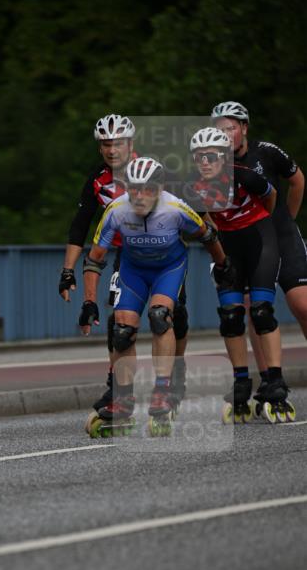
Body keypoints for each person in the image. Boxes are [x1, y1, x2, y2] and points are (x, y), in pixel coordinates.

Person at [80, 157, 233, 437]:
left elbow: (208, 235)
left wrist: (222, 266)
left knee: (160, 316)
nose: (139, 195)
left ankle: (162, 390)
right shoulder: (116, 209)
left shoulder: (175, 208)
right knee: (122, 329)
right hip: (133, 270)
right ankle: (123, 399)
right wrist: (89, 302)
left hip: (169, 268)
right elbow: (94, 259)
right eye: (134, 188)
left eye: (147, 189)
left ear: (160, 187)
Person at [58, 114, 190, 413]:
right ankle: (119, 390)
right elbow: (80, 226)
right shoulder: (97, 179)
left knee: (170, 317)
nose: (111, 150)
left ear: (130, 144)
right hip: (125, 256)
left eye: (117, 143)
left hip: (165, 255)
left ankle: (174, 376)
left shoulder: (155, 171)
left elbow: (189, 211)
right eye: (105, 144)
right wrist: (68, 271)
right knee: (120, 325)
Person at [185, 126, 294, 422]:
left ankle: (274, 380)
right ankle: (241, 381)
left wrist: (257, 224)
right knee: (230, 316)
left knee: (260, 312)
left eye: (210, 156)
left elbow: (271, 201)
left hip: (260, 238)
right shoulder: (194, 187)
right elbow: (206, 223)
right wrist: (220, 257)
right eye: (199, 157)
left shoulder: (246, 175)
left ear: (223, 156)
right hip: (228, 244)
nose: (204, 162)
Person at [211, 101, 307, 407]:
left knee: (302, 304)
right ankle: (269, 380)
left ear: (244, 128)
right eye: (220, 130)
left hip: (279, 233)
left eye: (231, 128)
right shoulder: (211, 164)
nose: (226, 135)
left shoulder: (267, 151)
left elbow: (297, 181)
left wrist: (286, 220)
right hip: (246, 241)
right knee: (254, 308)